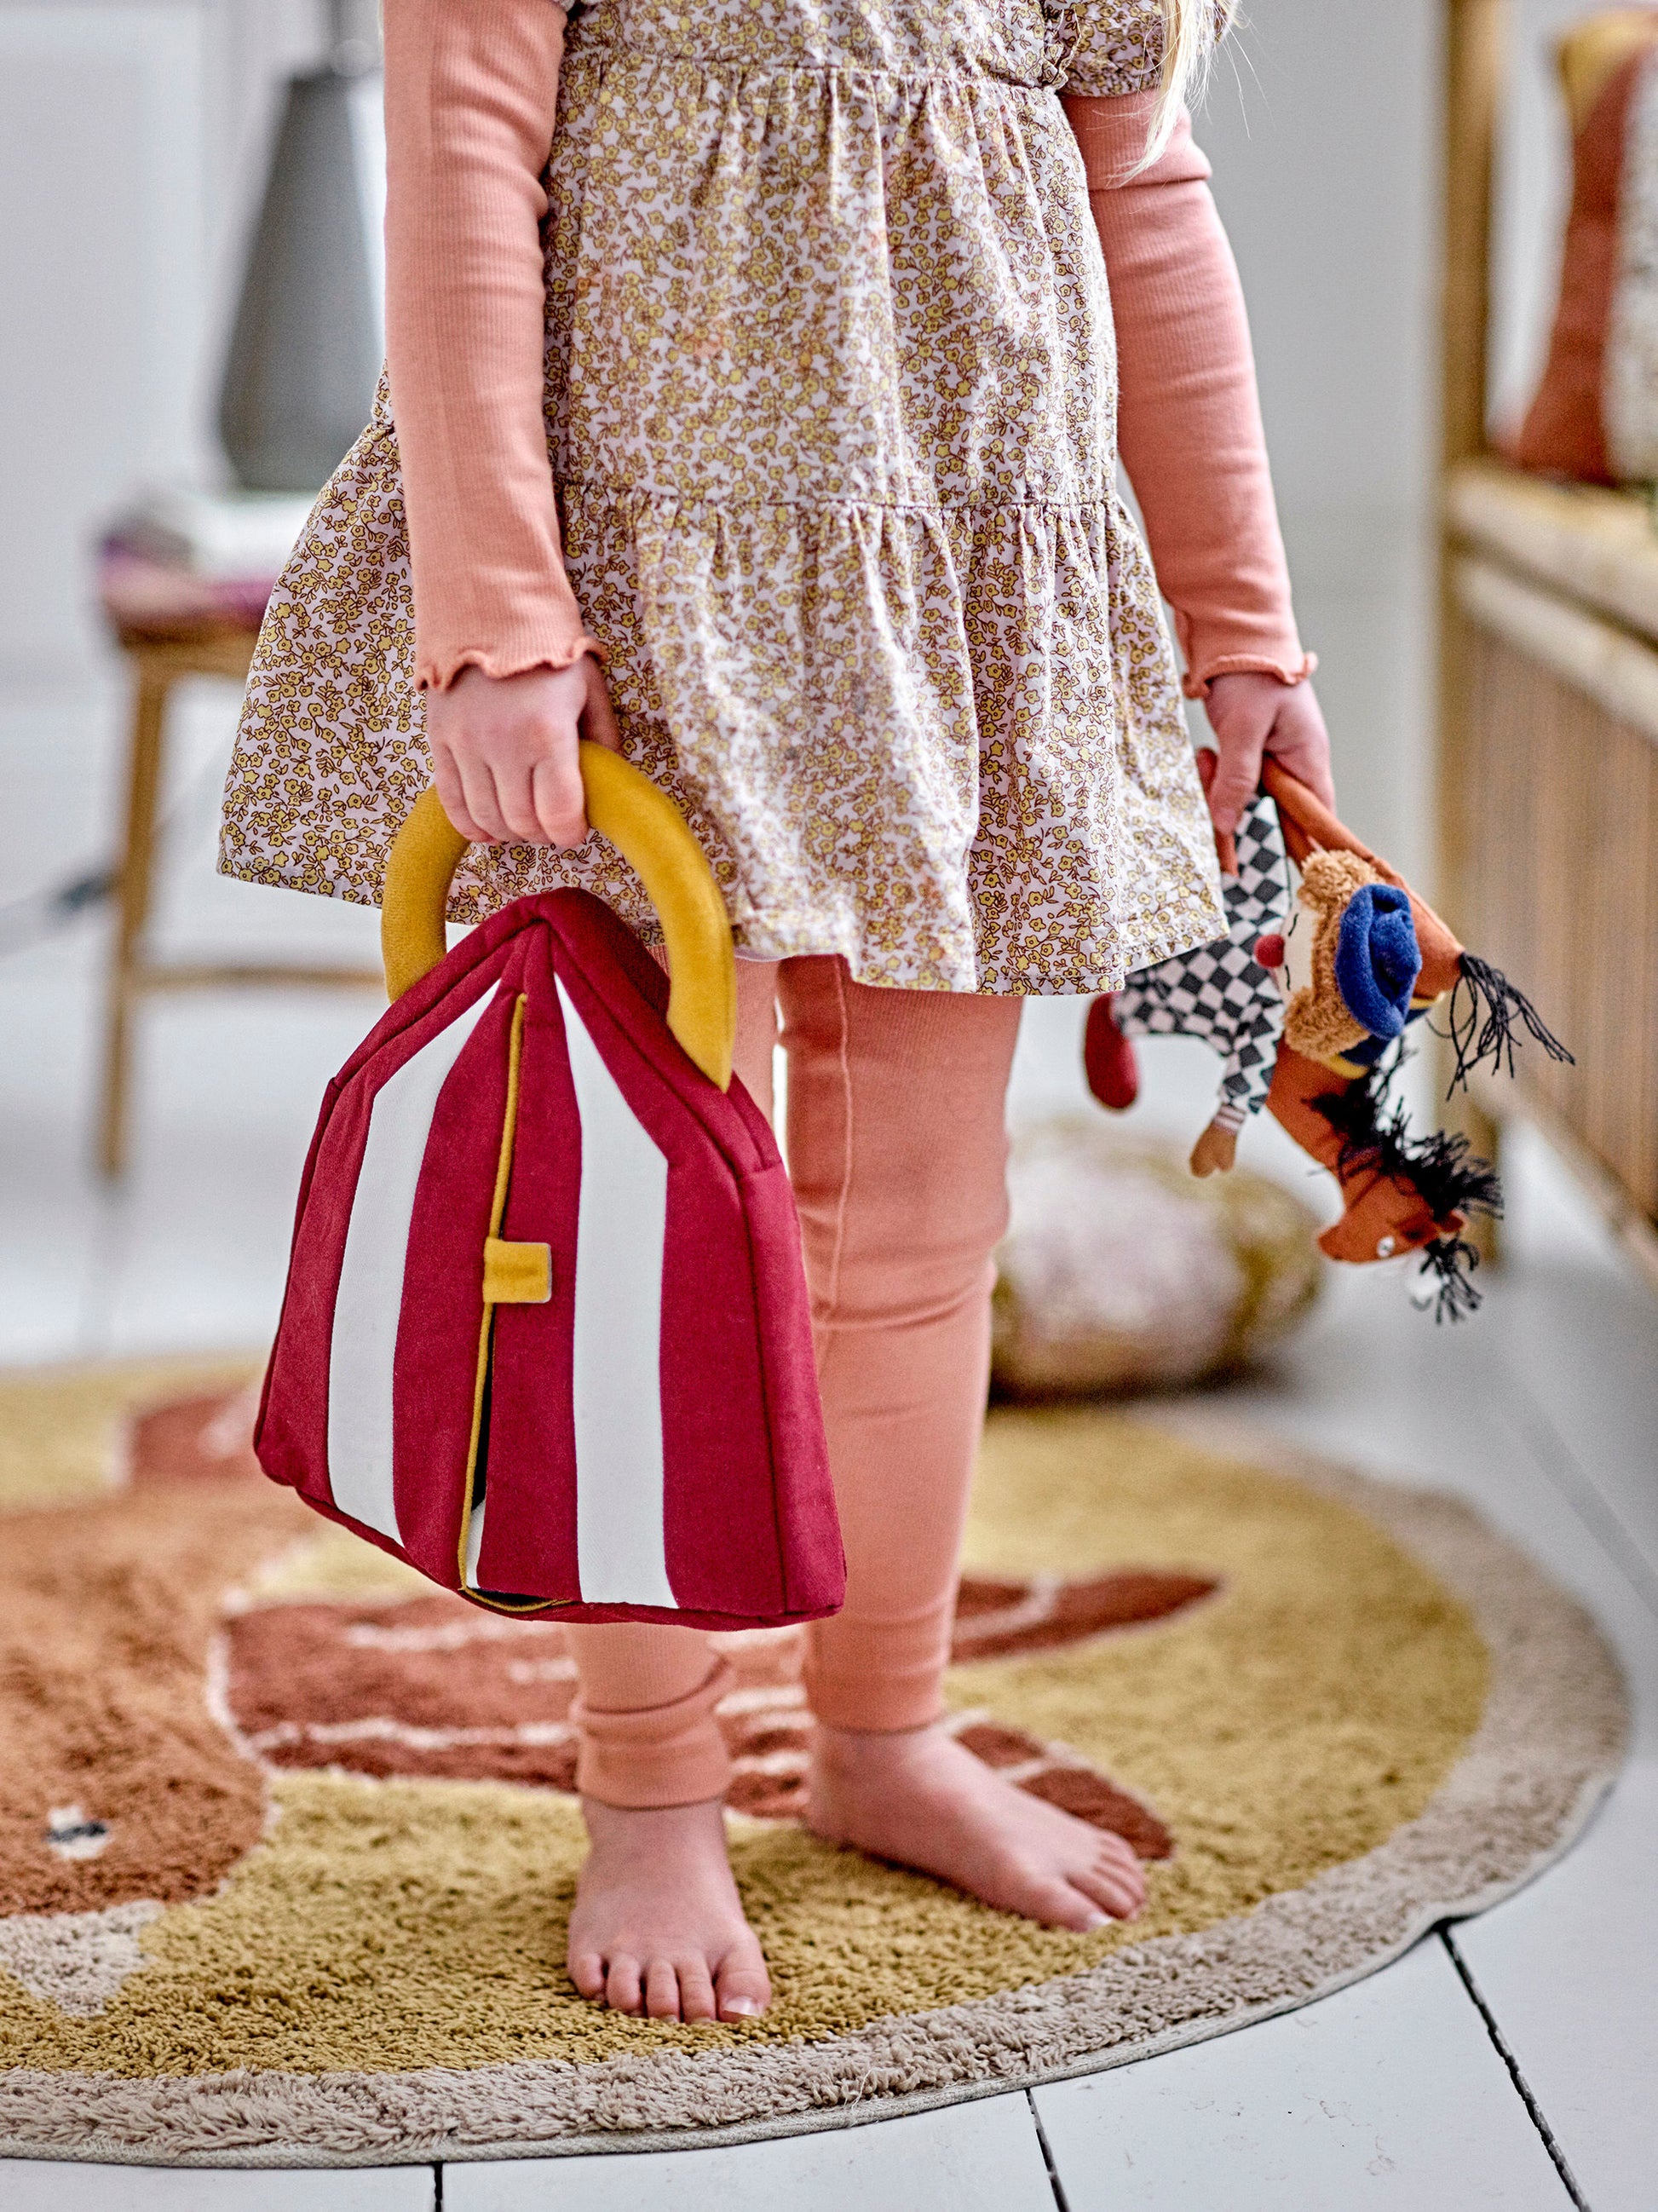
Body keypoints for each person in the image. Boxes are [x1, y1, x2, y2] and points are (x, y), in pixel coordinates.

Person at [221, 0, 1335, 2028]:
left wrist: (1235, 611)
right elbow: (464, 142)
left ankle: (882, 1727)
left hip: (968, 580)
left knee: (918, 1225)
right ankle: (650, 1772)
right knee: (638, 1230)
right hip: (649, 587)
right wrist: (494, 611)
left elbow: (1146, 186)